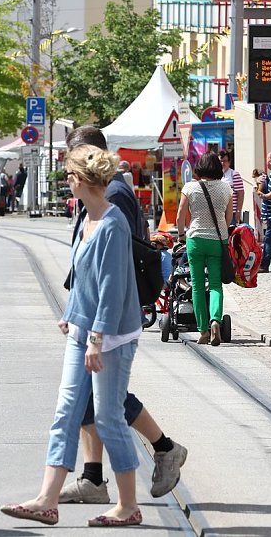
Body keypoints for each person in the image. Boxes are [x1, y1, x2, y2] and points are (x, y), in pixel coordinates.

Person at [1, 145, 144, 528]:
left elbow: (112, 288)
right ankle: (47, 500)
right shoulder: (86, 217)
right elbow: (83, 278)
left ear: (81, 180)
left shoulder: (113, 224)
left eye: (69, 176)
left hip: (110, 335)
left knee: (110, 417)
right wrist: (71, 315)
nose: (67, 182)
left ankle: (128, 505)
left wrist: (96, 339)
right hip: (84, 328)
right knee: (66, 411)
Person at [59, 125, 185, 505]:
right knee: (90, 402)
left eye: (72, 168)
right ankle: (93, 478)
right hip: (94, 312)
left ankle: (162, 450)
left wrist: (98, 326)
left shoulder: (111, 195)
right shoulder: (104, 192)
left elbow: (116, 263)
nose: (68, 177)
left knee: (104, 402)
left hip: (110, 316)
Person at [176, 151, 233, 345]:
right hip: (217, 240)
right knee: (216, 284)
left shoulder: (190, 187)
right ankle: (215, 319)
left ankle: (203, 330)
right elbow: (229, 217)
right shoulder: (226, 188)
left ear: (199, 167)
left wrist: (182, 235)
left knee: (197, 286)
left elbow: (180, 214)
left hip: (195, 239)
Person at [219, 149, 244, 225]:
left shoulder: (234, 174)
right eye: (220, 161)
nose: (223, 163)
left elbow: (241, 194)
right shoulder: (215, 175)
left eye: (225, 161)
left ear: (229, 162)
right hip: (219, 212)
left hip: (231, 213)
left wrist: (238, 211)